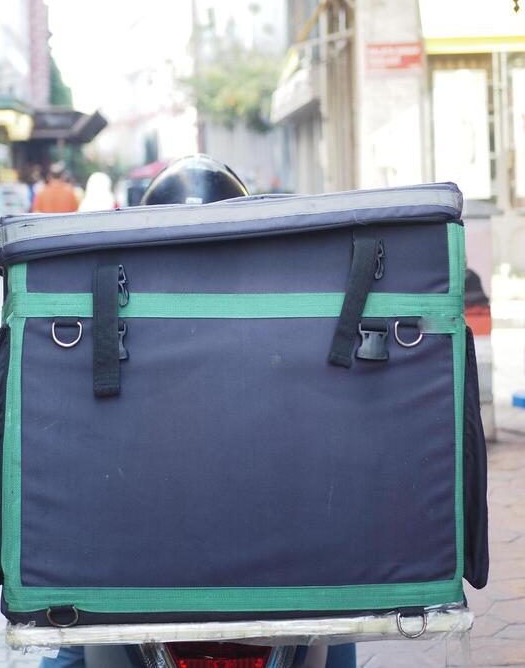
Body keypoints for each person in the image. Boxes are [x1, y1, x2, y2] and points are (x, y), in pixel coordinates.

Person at [40, 156, 355, 668]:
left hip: (136, 563)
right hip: (276, 562)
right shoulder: (284, 314)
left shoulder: (110, 321)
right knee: (338, 616)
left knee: (69, 640)